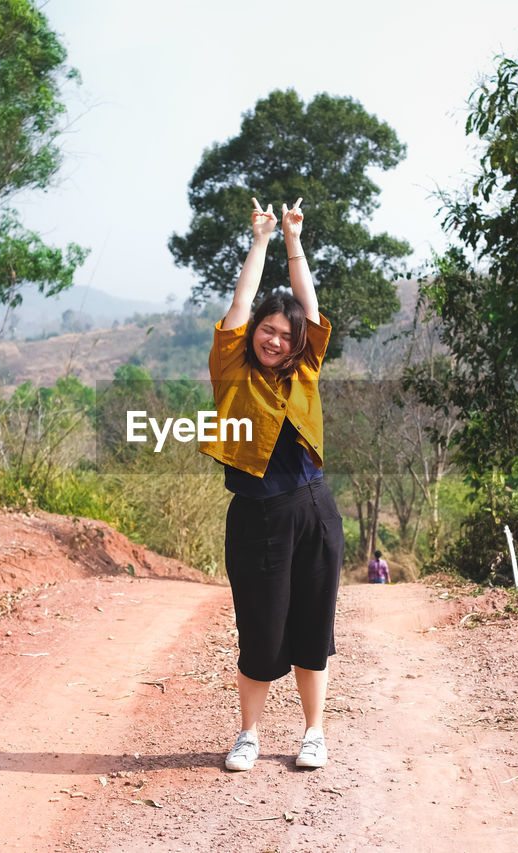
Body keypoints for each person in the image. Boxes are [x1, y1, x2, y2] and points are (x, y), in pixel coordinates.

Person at [199, 197, 344, 773]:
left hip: (314, 508)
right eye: (268, 330)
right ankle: (249, 735)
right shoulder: (231, 368)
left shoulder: (305, 368)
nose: (276, 340)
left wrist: (294, 240)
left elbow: (308, 305)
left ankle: (314, 734)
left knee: (313, 626)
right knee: (260, 630)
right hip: (257, 513)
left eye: (286, 334)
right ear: (254, 332)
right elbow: (238, 306)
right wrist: (260, 240)